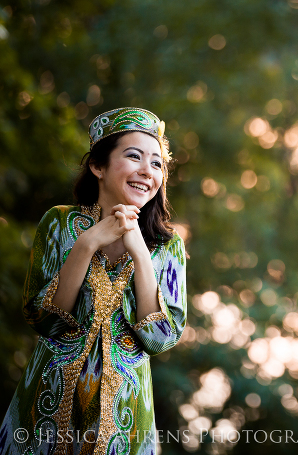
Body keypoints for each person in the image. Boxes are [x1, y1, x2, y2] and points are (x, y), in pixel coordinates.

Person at [0, 108, 188, 455]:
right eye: (134, 157)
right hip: (43, 411)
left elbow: (162, 338)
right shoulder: (58, 224)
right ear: (97, 166)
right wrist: (87, 243)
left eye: (157, 163)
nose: (147, 171)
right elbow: (44, 319)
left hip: (126, 422)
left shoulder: (167, 245)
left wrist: (140, 255)